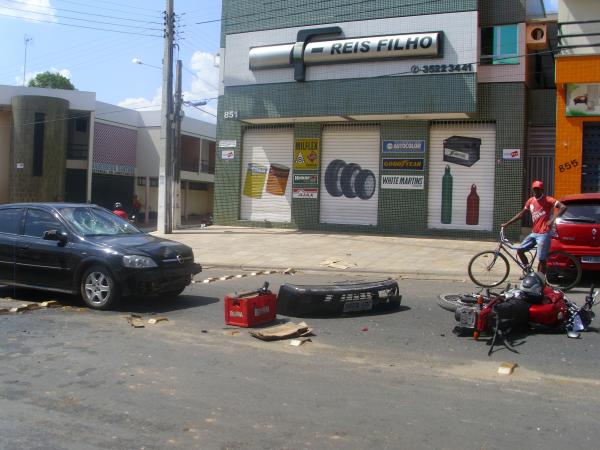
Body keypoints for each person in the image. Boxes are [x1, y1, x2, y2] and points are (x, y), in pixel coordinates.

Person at [501, 180, 567, 274]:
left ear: (542, 190)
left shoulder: (548, 199)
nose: (536, 191)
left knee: (541, 259)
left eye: (538, 189)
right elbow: (521, 214)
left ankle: (540, 280)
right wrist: (507, 224)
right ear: (532, 190)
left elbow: (563, 207)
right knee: (520, 251)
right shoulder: (531, 201)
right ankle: (528, 272)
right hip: (534, 233)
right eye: (534, 189)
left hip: (544, 233)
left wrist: (552, 220)